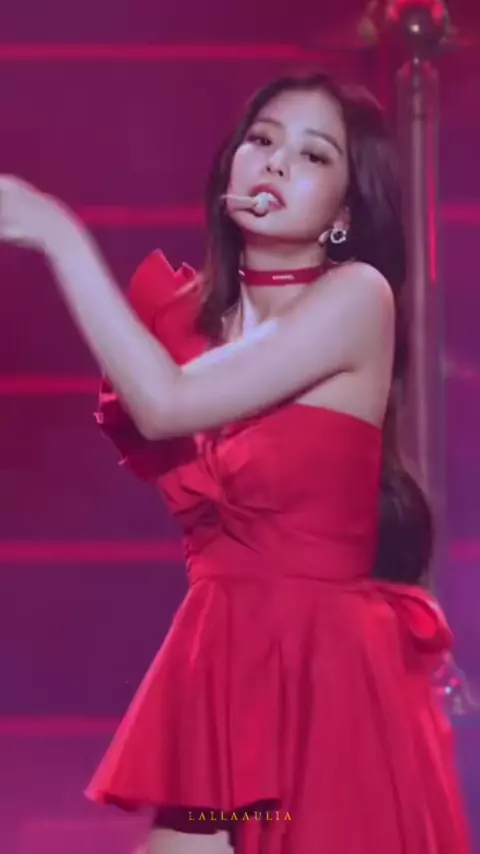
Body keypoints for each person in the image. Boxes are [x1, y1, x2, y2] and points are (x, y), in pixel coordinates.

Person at [0, 70, 471, 854]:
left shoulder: (359, 297)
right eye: (261, 139)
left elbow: (166, 404)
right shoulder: (190, 327)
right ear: (230, 165)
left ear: (343, 215)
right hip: (226, 671)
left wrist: (55, 231)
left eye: (313, 155)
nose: (277, 161)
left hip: (327, 683)